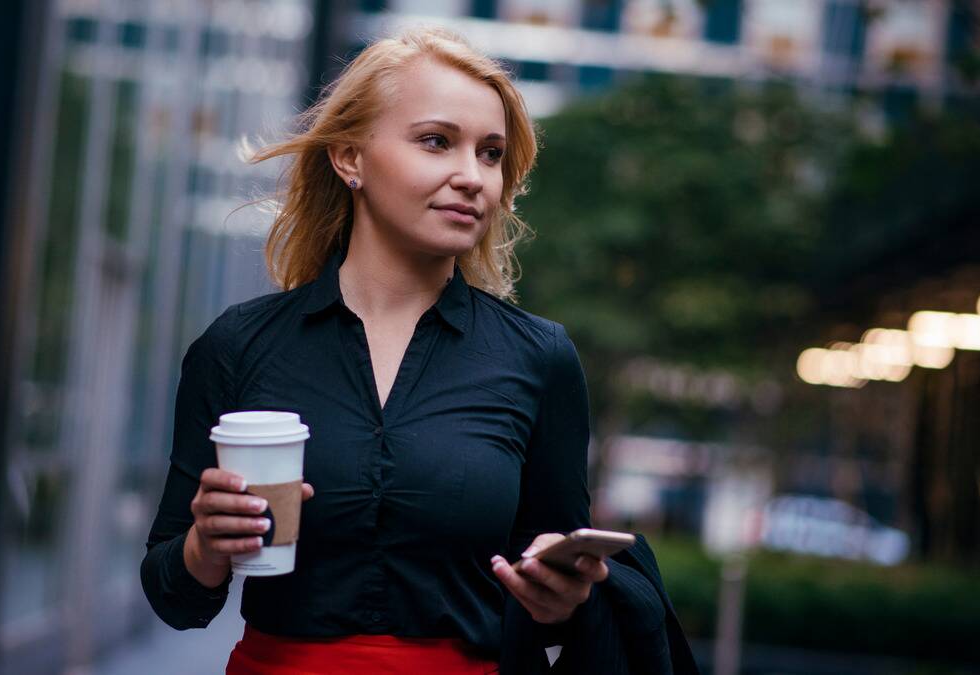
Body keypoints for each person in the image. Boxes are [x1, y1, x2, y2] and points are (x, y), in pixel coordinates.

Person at [141, 27, 697, 674]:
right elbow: (172, 597)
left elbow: (556, 571)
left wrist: (562, 596)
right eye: (437, 141)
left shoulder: (539, 357)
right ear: (349, 158)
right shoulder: (238, 345)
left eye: (491, 154)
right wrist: (206, 545)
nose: (472, 177)